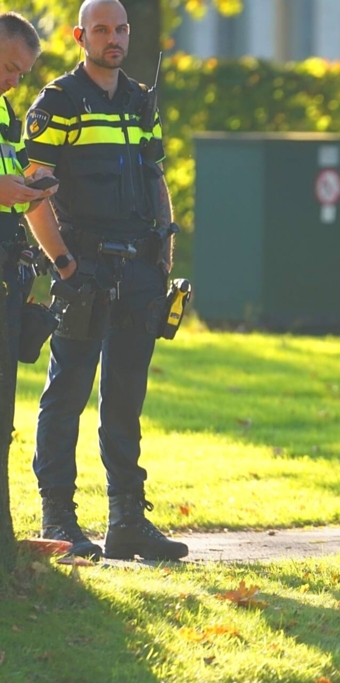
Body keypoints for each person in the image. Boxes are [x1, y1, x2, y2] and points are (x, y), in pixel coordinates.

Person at [22, 0, 186, 560]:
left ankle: (127, 522)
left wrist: (163, 257)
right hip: (83, 269)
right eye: (101, 30)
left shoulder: (141, 101)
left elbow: (155, 176)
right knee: (67, 394)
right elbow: (34, 190)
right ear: (80, 36)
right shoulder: (59, 102)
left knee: (125, 398)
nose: (112, 38)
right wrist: (64, 264)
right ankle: (58, 520)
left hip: (140, 269)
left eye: (120, 29)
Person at [0, 13, 58, 387]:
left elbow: (18, 170)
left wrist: (33, 189)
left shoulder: (5, 110)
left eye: (21, 74)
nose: (14, 82)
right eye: (9, 68)